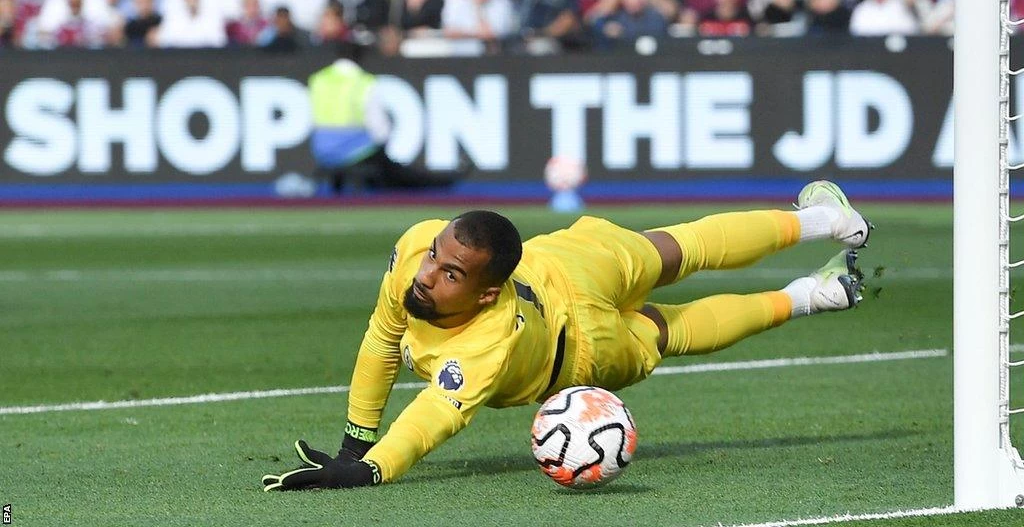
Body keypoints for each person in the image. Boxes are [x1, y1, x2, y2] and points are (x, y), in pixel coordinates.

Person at [262, 180, 873, 490]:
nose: (427, 274)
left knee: (675, 292)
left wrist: (370, 468)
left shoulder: (486, 341)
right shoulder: (418, 250)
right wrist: (356, 446)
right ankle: (819, 253)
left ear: (487, 294)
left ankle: (818, 263)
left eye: (450, 274)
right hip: (574, 304)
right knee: (677, 280)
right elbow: (383, 343)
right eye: (434, 257)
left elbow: (429, 417)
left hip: (572, 316)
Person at [307, 41, 468, 193]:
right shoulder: (363, 81)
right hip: (358, 153)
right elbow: (379, 127)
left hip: (323, 152)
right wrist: (381, 147)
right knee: (396, 172)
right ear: (360, 58)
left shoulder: (318, 79)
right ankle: (444, 182)